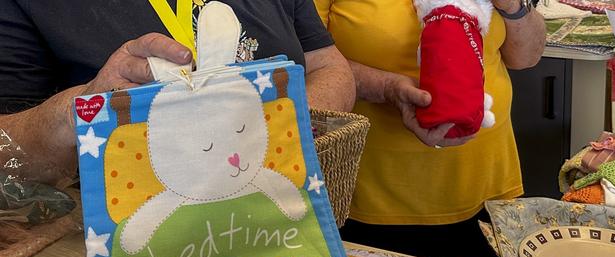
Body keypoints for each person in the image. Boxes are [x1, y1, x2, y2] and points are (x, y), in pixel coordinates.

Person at [0, 0, 355, 186]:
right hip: (134, 252)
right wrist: (83, 107)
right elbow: (6, 153)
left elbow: (328, 66)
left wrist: (274, 134)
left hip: (282, 226)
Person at [313, 0, 546, 257]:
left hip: (482, 183)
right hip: (375, 194)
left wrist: (512, 6)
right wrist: (387, 88)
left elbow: (527, 57)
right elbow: (306, 61)